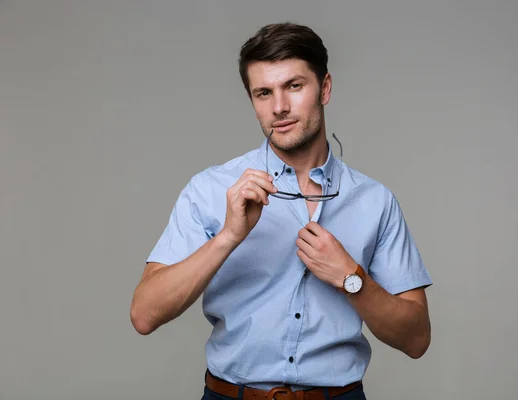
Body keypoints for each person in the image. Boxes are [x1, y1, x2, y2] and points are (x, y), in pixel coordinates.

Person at [130, 22, 433, 400]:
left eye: (294, 86)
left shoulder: (375, 201)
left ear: (324, 88)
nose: (279, 108)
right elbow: (144, 315)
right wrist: (228, 237)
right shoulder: (210, 190)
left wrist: (351, 278)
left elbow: (417, 338)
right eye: (263, 93)